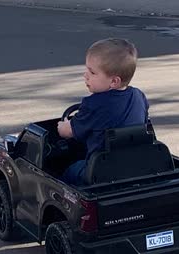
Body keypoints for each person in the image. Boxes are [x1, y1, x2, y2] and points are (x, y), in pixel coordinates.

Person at [57, 38, 150, 186]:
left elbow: (68, 132)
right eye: (87, 69)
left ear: (114, 81)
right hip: (136, 166)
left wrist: (63, 126)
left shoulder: (93, 105)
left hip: (100, 171)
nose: (85, 75)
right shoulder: (139, 96)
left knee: (70, 171)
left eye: (92, 72)